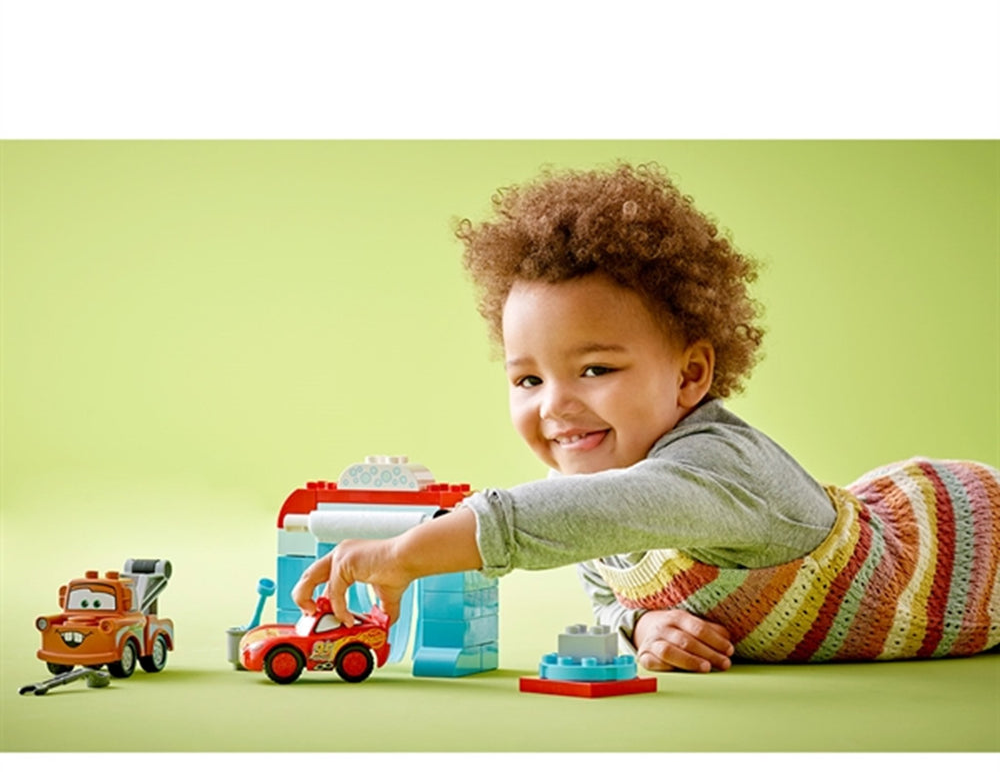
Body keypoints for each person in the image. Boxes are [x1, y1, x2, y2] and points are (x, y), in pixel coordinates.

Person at [293, 163, 1000, 672]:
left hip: (966, 546)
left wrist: (403, 554)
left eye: (596, 369)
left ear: (691, 374)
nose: (554, 405)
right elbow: (604, 588)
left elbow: (551, 518)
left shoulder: (718, 472)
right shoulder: (598, 497)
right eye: (528, 379)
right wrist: (642, 623)